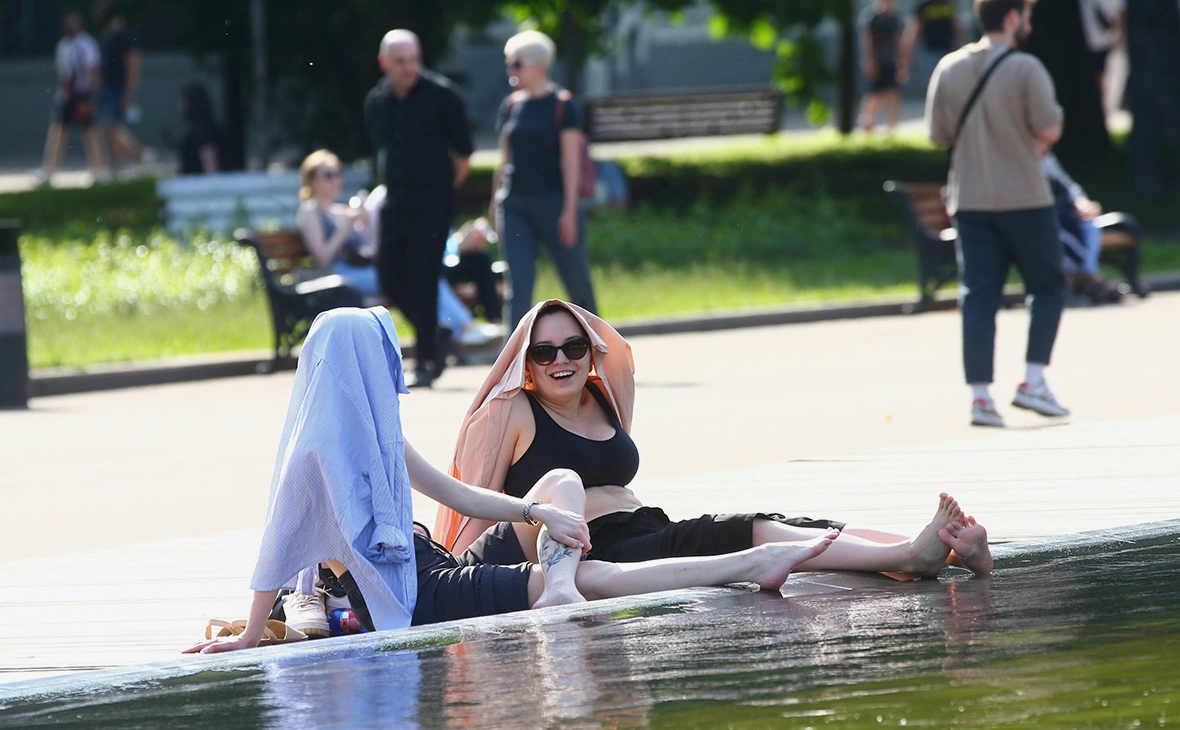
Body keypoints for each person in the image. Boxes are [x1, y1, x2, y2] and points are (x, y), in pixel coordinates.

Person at [183, 307, 842, 653]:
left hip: (430, 565)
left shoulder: (378, 437)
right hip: (415, 598)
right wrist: (247, 633)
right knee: (595, 577)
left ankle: (569, 584)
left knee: (561, 490)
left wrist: (534, 514)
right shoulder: (315, 456)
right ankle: (750, 561)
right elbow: (281, 542)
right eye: (385, 363)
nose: (395, 378)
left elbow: (458, 495)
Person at [435, 300, 994, 579]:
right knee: (747, 532)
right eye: (544, 351)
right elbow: (474, 501)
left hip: (647, 527)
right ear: (525, 365)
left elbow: (620, 358)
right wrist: (461, 582)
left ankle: (943, 545)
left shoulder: (601, 397)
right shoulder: (512, 412)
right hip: (592, 550)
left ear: (591, 351)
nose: (561, 360)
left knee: (788, 522)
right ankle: (911, 556)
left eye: (574, 347)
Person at [926, 0, 1069, 429]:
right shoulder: (1027, 68)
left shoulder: (949, 68)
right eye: (1026, 14)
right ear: (1011, 17)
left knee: (978, 297)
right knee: (1046, 286)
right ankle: (1033, 381)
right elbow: (1049, 128)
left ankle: (981, 398)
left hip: (969, 200)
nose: (1028, 22)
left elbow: (938, 134)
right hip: (1025, 197)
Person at [364, 29, 474, 389]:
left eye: (414, 60)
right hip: (395, 203)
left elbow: (463, 155)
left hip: (432, 204)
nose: (409, 67)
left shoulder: (442, 97)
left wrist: (441, 191)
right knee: (389, 277)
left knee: (423, 279)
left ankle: (425, 360)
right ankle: (437, 330)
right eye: (400, 62)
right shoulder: (377, 102)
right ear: (385, 64)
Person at [493, 30, 598, 329]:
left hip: (555, 203)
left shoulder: (564, 106)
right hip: (514, 205)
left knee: (577, 284)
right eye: (509, 63)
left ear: (540, 65)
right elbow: (503, 160)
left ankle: (600, 355)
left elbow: (571, 162)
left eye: (517, 63)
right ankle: (512, 369)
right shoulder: (510, 106)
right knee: (518, 288)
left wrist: (568, 211)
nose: (511, 70)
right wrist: (495, 206)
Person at [1042, 152, 1125, 304]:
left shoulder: (1048, 159)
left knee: (1089, 225)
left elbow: (1069, 186)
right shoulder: (1021, 159)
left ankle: (1089, 276)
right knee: (1059, 229)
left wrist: (1082, 204)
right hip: (1039, 216)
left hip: (1063, 211)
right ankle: (1074, 282)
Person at [295, 150, 379, 298]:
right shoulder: (310, 211)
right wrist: (345, 227)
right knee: (394, 280)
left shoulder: (339, 210)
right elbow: (323, 259)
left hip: (352, 272)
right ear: (311, 182)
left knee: (397, 275)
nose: (335, 180)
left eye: (337, 174)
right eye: (328, 175)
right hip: (334, 278)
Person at [34, 13, 103, 187]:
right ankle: (49, 171)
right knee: (57, 132)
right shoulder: (62, 45)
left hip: (82, 93)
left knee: (89, 133)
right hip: (67, 95)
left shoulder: (86, 44)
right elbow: (62, 73)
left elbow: (92, 71)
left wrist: (88, 96)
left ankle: (97, 171)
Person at [94, 1, 143, 177]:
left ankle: (131, 158)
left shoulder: (126, 36)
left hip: (118, 88)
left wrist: (129, 92)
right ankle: (123, 163)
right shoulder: (105, 36)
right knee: (108, 128)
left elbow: (133, 63)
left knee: (111, 126)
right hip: (107, 88)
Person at [858, 0, 908, 133]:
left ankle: (893, 127)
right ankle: (867, 120)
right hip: (877, 61)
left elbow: (899, 41)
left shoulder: (894, 18)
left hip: (891, 60)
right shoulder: (872, 18)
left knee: (893, 92)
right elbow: (867, 41)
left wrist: (902, 62)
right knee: (876, 94)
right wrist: (868, 60)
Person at [901, 0, 966, 88]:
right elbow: (915, 31)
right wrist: (907, 56)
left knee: (948, 84)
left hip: (947, 51)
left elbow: (957, 27)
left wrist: (964, 45)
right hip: (930, 52)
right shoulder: (924, 6)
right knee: (936, 84)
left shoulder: (947, 5)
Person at [176, 82, 219, 175]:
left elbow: (208, 156)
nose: (180, 106)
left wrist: (211, 185)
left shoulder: (202, 130)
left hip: (197, 186)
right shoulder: (202, 128)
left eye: (183, 102)